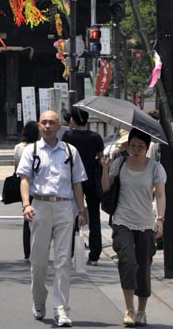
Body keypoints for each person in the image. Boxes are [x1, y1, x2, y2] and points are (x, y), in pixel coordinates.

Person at [17, 110, 87, 327]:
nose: (47, 126)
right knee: (38, 261)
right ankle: (39, 301)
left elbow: (77, 183)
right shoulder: (32, 150)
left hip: (65, 207)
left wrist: (82, 210)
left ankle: (61, 308)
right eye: (44, 122)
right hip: (39, 206)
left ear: (60, 127)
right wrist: (26, 204)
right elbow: (25, 179)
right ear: (39, 125)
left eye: (52, 123)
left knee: (63, 261)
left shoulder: (70, 151)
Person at [101, 128, 166, 328]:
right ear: (127, 146)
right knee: (128, 262)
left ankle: (141, 311)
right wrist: (105, 169)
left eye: (141, 146)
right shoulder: (119, 164)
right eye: (133, 145)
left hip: (146, 223)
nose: (136, 149)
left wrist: (160, 219)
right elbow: (105, 188)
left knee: (143, 267)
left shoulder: (155, 168)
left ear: (147, 148)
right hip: (122, 220)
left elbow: (161, 195)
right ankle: (129, 309)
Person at [63, 106, 104, 265]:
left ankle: (71, 251)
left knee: (72, 214)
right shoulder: (96, 137)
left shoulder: (68, 136)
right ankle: (94, 254)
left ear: (73, 120)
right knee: (94, 216)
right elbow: (101, 159)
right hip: (92, 179)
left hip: (74, 180)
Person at [14, 120, 40, 260]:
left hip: (24, 186)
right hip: (38, 187)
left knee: (27, 218)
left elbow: (16, 169)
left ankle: (27, 252)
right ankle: (38, 249)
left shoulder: (18, 148)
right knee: (40, 220)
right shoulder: (39, 147)